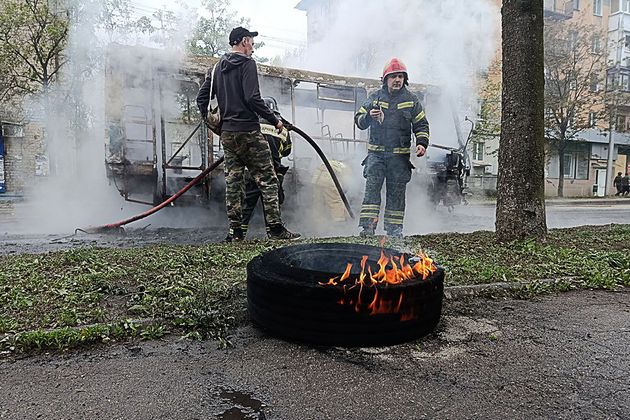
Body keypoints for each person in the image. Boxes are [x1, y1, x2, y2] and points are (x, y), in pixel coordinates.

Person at [196, 27, 300, 241]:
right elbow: (253, 98)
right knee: (269, 180)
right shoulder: (247, 64)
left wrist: (215, 124)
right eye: (251, 42)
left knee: (234, 182)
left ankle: (235, 232)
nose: (253, 47)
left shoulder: (216, 69)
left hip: (228, 134)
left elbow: (201, 100)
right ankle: (275, 229)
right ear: (244, 41)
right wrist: (275, 121)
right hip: (249, 131)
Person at [354, 58, 429, 238]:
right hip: (376, 156)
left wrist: (421, 143)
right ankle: (368, 228)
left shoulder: (411, 101)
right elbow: (359, 120)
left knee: (396, 193)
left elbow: (421, 125)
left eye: (400, 76)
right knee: (372, 190)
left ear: (405, 79)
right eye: (393, 76)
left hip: (399, 158)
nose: (397, 80)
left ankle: (394, 230)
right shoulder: (375, 98)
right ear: (385, 79)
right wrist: (369, 117)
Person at [240, 97, 292, 237]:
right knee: (271, 204)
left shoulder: (250, 125)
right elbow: (287, 150)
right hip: (273, 173)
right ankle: (273, 233)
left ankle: (238, 234)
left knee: (247, 205)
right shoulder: (283, 129)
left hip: (251, 171)